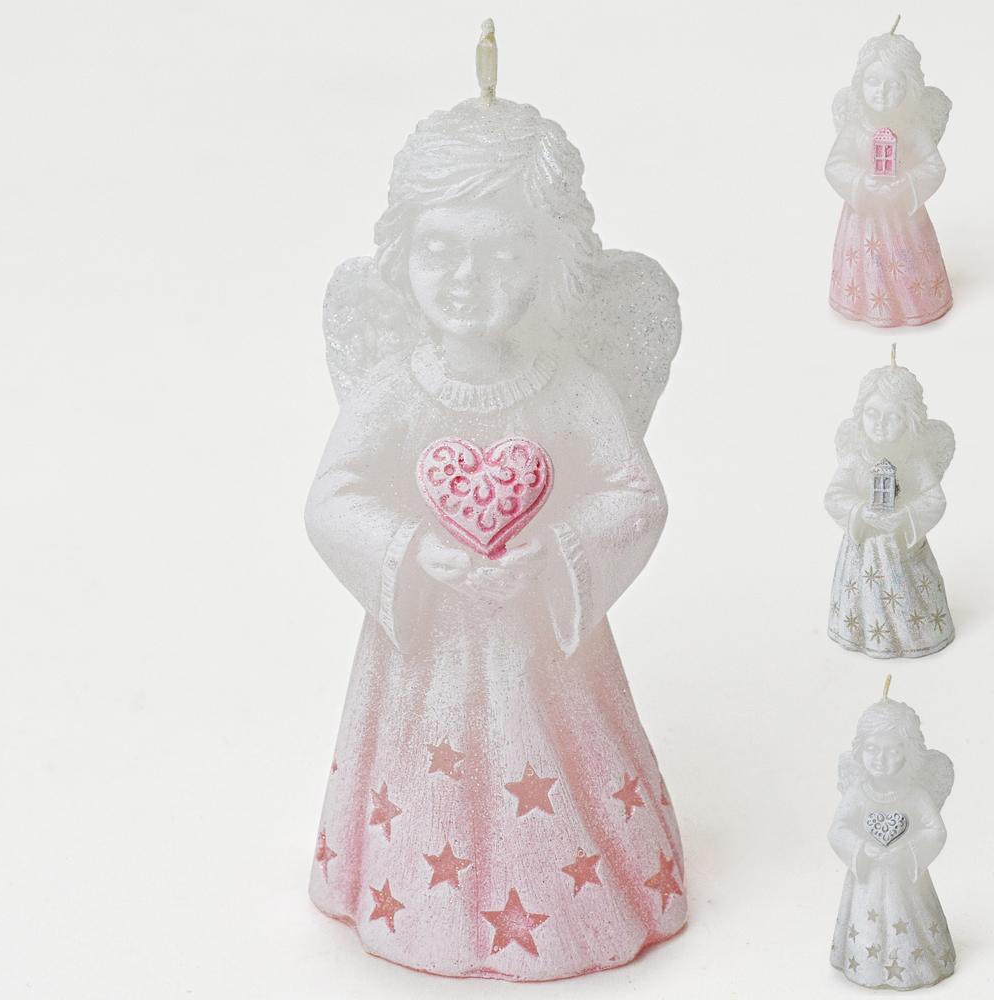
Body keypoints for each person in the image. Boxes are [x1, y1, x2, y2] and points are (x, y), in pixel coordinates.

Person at [305, 95, 685, 980]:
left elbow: (635, 493)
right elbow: (332, 497)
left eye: (503, 251)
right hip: (423, 656)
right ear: (403, 255)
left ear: (551, 261)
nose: (467, 278)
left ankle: (575, 896)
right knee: (427, 768)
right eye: (440, 250)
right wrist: (411, 550)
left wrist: (558, 550)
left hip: (543, 652)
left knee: (552, 762)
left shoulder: (570, 384)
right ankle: (417, 896)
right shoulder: (394, 390)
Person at [825, 356, 954, 658]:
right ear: (860, 414)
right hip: (862, 553)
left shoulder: (913, 460)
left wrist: (906, 515)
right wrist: (860, 512)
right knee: (865, 596)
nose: (880, 424)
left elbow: (934, 499)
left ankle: (912, 634)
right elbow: (834, 495)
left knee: (907, 601)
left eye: (892, 416)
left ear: (909, 419)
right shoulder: (855, 458)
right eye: (872, 413)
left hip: (902, 550)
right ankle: (862, 630)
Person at [826, 31, 952, 326]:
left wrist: (908, 183)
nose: (881, 91)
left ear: (909, 87)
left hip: (904, 218)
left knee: (906, 263)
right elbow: (835, 164)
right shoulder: (855, 128)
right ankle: (863, 299)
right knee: (868, 262)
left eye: (893, 84)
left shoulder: (913, 129)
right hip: (864, 219)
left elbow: (934, 166)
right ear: (859, 84)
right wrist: (860, 181)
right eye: (873, 81)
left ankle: (913, 302)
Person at [829, 695, 955, 988]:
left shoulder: (915, 795)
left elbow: (935, 831)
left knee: (912, 925)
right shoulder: (857, 794)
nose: (880, 759)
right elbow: (838, 829)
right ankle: (864, 962)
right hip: (866, 883)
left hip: (907, 883)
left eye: (892, 750)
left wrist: (907, 850)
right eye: (872, 749)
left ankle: (917, 963)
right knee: (866, 923)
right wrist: (862, 848)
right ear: (860, 750)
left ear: (909, 752)